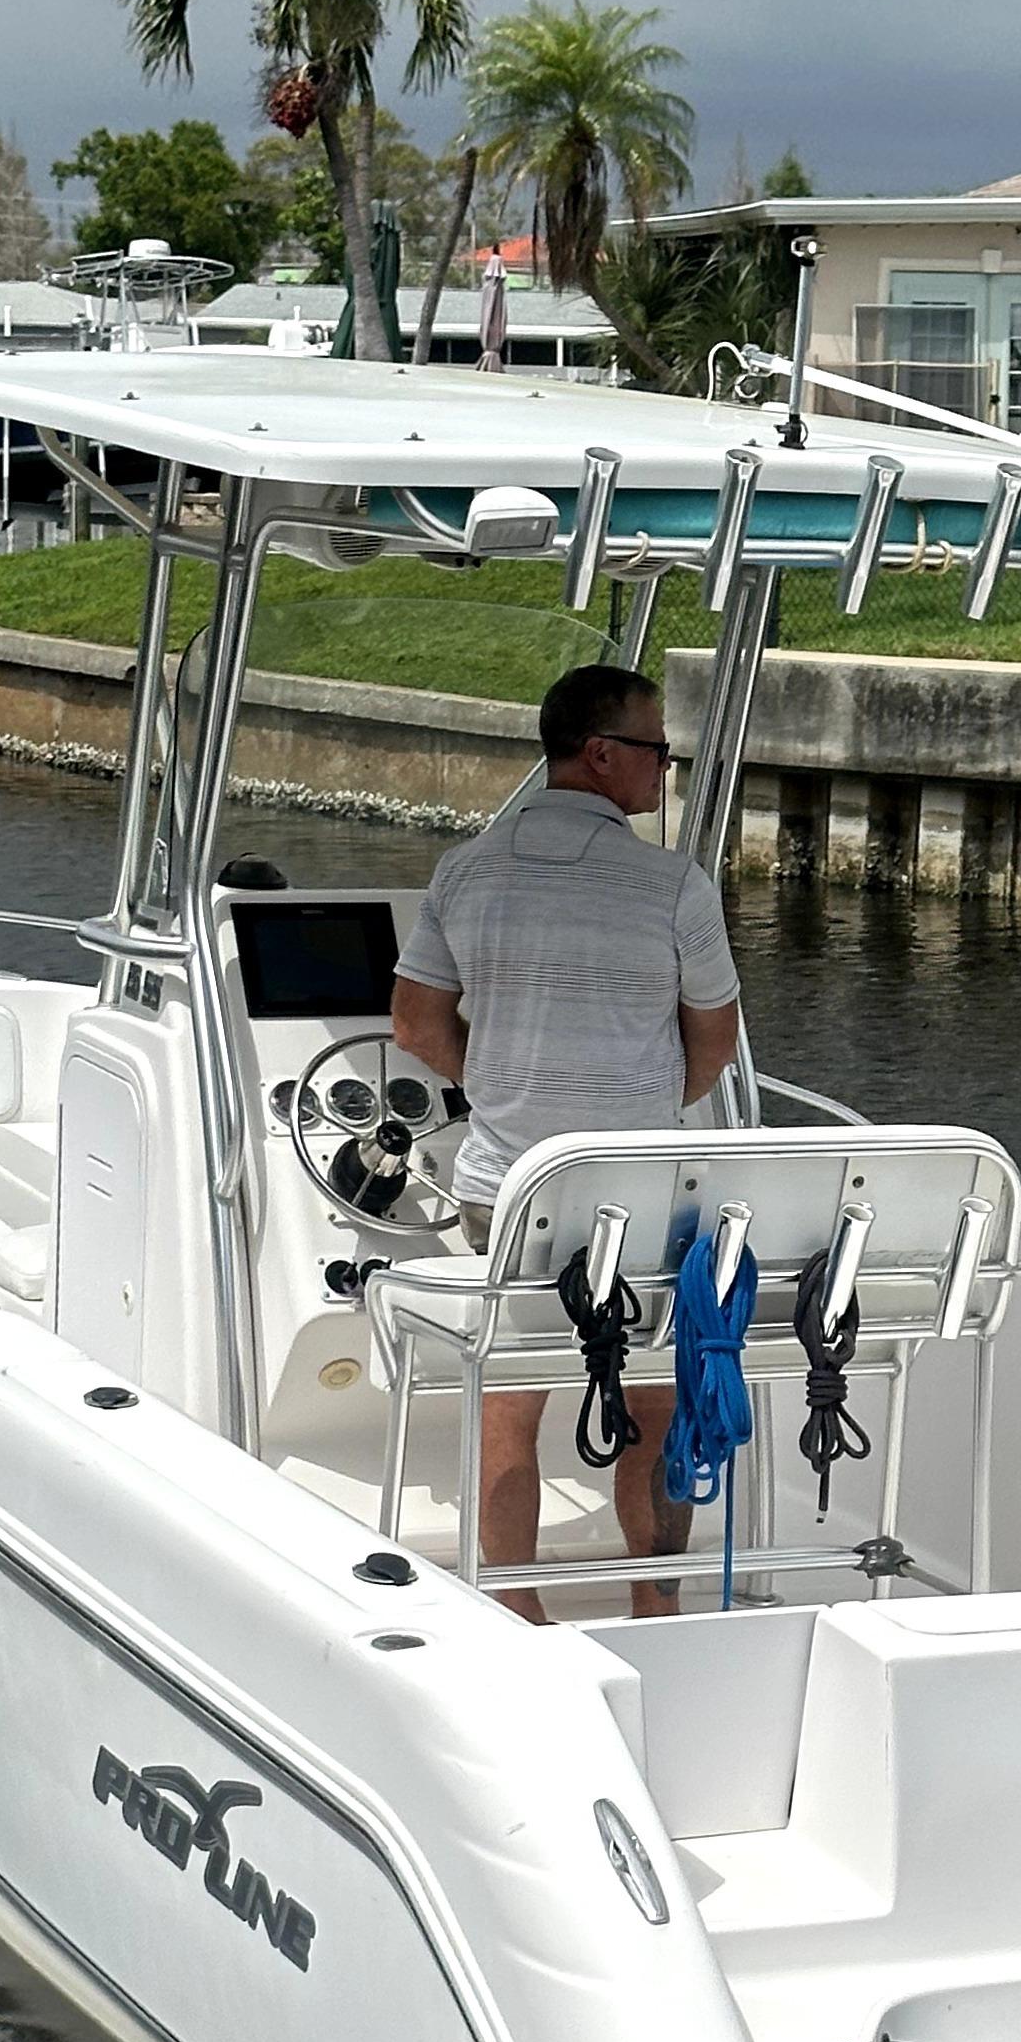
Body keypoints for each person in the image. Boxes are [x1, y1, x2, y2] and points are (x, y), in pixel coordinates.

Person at [389, 661, 745, 1620]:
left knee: (516, 1396)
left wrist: (505, 1084)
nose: (665, 769)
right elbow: (713, 1046)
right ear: (602, 755)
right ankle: (653, 1608)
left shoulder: (464, 871)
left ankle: (519, 1612)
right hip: (635, 1201)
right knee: (657, 1401)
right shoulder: (674, 885)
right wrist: (637, 1101)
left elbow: (416, 1024)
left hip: (505, 1191)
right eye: (657, 750)